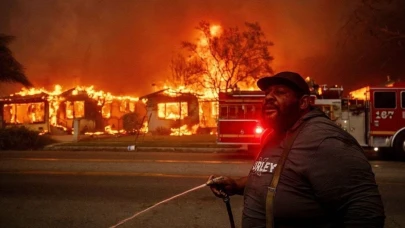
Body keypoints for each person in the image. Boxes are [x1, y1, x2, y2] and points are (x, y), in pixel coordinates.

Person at [208, 71, 385, 228]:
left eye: (279, 92)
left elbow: (366, 212)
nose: (268, 97)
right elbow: (280, 177)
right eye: (267, 93)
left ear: (303, 103)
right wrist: (236, 185)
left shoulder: (323, 139)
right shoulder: (277, 134)